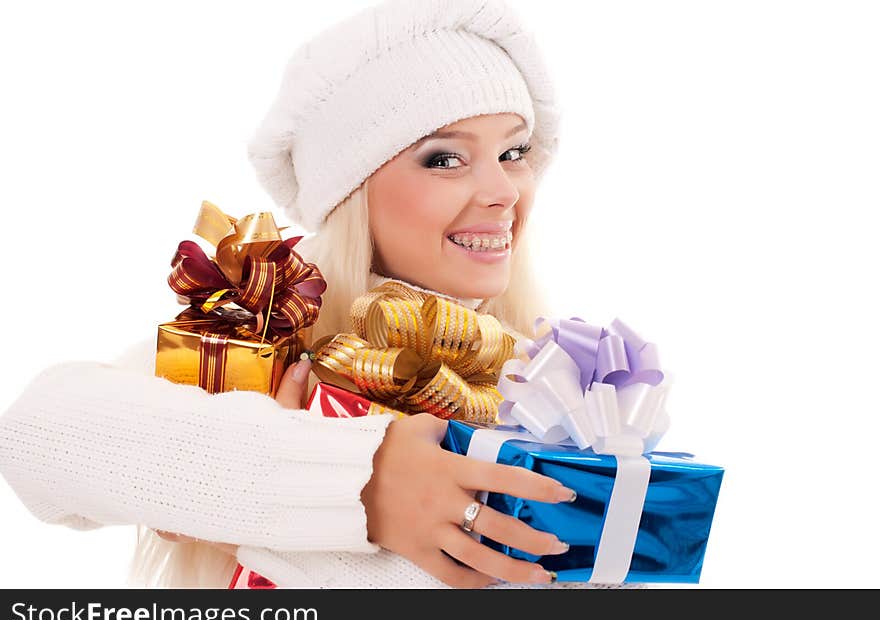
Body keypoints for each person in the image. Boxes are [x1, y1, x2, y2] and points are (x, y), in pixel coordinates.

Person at [0, 0, 595, 589]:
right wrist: (353, 480)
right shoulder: (270, 340)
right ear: (351, 195)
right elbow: (38, 434)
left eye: (514, 152)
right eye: (445, 159)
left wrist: (255, 521)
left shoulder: (560, 388)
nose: (504, 191)